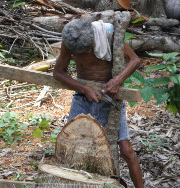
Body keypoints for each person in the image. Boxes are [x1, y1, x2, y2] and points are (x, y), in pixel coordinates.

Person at [53, 19, 144, 188]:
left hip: (110, 99)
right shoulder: (70, 43)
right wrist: (84, 88)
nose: (88, 51)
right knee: (70, 146)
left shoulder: (107, 36)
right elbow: (58, 73)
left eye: (90, 47)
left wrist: (117, 81)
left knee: (126, 150)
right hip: (82, 99)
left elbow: (134, 60)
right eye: (83, 51)